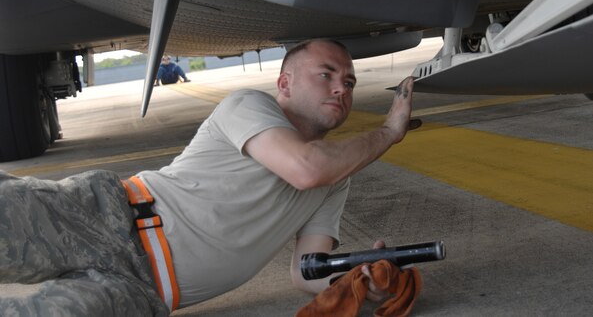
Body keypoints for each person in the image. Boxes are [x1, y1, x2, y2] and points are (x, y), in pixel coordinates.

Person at [0, 39, 421, 316]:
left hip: (141, 290)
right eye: (326, 74)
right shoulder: (250, 106)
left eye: (348, 81)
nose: (341, 89)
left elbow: (306, 273)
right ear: (285, 84)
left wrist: (362, 280)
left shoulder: (336, 180)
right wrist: (388, 132)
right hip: (102, 216)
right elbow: (306, 168)